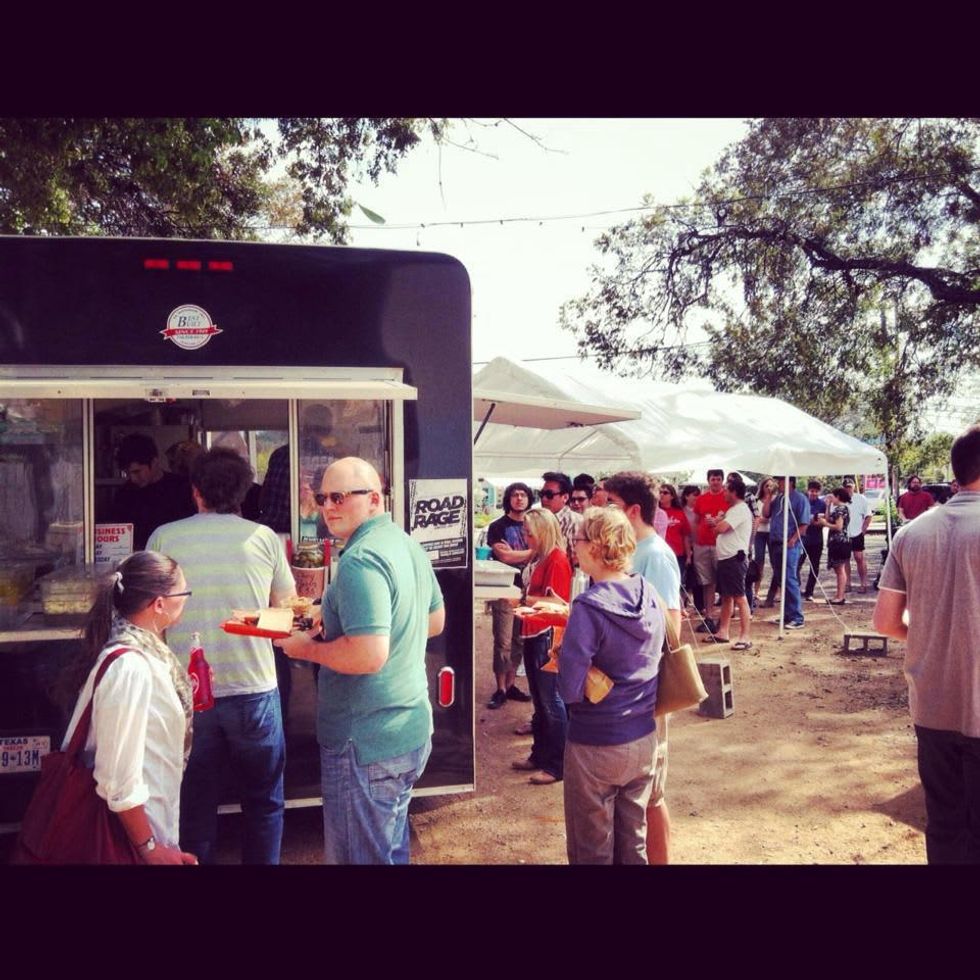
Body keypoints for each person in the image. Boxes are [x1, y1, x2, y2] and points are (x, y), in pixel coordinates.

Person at [278, 457, 445, 864]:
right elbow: (434, 620)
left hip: (365, 742)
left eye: (339, 496)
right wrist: (335, 617)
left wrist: (307, 649)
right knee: (388, 849)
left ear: (373, 499)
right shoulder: (404, 543)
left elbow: (370, 655)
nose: (328, 507)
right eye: (321, 498)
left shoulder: (359, 560)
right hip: (407, 730)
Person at [147, 447, 296, 864]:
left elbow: (149, 614)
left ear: (195, 493)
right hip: (253, 690)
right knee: (264, 802)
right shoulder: (263, 539)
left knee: (194, 810)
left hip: (188, 694)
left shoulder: (164, 537)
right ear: (245, 493)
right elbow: (284, 613)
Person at [872, 424, 980, 863]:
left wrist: (936, 637)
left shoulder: (910, 534)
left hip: (932, 707)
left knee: (945, 825)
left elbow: (885, 622)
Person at [55, 551, 198, 865]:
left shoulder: (144, 652)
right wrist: (149, 848)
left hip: (143, 827)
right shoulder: (131, 666)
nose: (186, 601)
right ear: (159, 604)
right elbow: (117, 778)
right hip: (127, 838)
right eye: (184, 594)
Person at [558, 506, 665, 864]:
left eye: (578, 539)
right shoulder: (647, 591)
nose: (574, 546)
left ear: (596, 546)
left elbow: (569, 690)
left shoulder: (588, 608)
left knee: (592, 848)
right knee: (633, 841)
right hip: (642, 738)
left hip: (596, 743)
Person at [602, 470, 681, 864]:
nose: (603, 511)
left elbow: (672, 628)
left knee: (652, 793)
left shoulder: (656, 556)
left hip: (648, 690)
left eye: (611, 505)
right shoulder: (634, 551)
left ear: (633, 510)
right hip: (629, 691)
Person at [510, 507, 573, 786]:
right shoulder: (542, 557)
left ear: (544, 533)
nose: (526, 538)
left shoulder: (557, 560)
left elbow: (559, 605)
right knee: (541, 701)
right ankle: (540, 755)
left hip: (547, 634)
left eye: (529, 533)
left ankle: (556, 764)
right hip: (535, 630)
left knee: (550, 701)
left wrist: (525, 601)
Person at [484, 482, 534, 710]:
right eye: (515, 495)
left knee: (519, 641)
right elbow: (503, 556)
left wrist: (517, 554)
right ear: (508, 499)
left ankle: (512, 684)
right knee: (502, 640)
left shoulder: (534, 524)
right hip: (504, 589)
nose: (519, 499)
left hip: (529, 591)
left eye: (523, 495)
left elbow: (541, 551)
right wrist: (529, 553)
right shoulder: (497, 526)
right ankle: (501, 688)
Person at [110, 433, 196, 550]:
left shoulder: (182, 488)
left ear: (154, 462)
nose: (133, 479)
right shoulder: (124, 495)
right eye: (127, 473)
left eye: (137, 472)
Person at [706, 474, 753, 649]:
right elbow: (718, 529)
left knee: (740, 598)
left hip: (735, 559)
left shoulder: (740, 509)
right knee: (726, 597)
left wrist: (716, 524)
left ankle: (745, 637)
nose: (723, 492)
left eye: (726, 489)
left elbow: (721, 528)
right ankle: (723, 632)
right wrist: (717, 525)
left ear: (734, 492)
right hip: (727, 559)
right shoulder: (733, 510)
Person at [762, 476, 810, 630]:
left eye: (782, 481)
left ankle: (797, 616)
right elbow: (766, 513)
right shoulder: (778, 499)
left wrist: (793, 539)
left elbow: (804, 523)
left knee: (789, 578)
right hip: (775, 542)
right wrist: (769, 496)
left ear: (790, 482)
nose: (779, 484)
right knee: (781, 579)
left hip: (789, 544)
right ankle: (787, 614)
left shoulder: (799, 499)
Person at [691, 469, 728, 633]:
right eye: (713, 479)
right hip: (702, 544)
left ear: (722, 481)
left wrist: (719, 521)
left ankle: (725, 618)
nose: (715, 482)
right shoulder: (701, 499)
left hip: (721, 544)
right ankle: (709, 617)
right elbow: (696, 521)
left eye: (718, 479)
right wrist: (694, 542)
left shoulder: (727, 497)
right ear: (708, 481)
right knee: (707, 582)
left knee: (725, 581)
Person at [540, 470, 582, 564]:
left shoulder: (575, 522)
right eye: (541, 494)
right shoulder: (541, 520)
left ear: (565, 497)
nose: (544, 499)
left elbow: (578, 562)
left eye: (549, 495)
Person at [817, 486, 851, 604]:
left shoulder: (840, 510)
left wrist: (825, 524)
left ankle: (840, 596)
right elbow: (829, 518)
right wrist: (827, 506)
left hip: (839, 542)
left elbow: (838, 527)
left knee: (840, 569)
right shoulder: (839, 509)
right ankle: (839, 594)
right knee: (838, 569)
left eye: (833, 497)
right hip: (837, 542)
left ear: (838, 497)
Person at [659, 483, 692, 587]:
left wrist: (688, 556)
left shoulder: (679, 513)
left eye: (665, 493)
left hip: (677, 554)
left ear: (672, 496)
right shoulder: (654, 513)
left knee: (677, 584)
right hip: (660, 554)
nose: (661, 495)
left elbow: (685, 535)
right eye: (659, 492)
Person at [842, 477, 872, 593]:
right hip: (844, 533)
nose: (848, 489)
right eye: (846, 487)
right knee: (845, 559)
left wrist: (863, 529)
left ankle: (863, 583)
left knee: (859, 557)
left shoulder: (861, 499)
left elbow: (868, 515)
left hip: (857, 533)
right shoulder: (840, 498)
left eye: (850, 486)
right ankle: (847, 583)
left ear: (854, 486)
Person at [800, 480, 827, 600]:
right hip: (802, 539)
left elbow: (824, 521)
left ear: (819, 492)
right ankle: (797, 588)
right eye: (812, 491)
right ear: (808, 491)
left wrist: (815, 521)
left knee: (814, 567)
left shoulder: (822, 504)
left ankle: (809, 591)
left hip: (817, 540)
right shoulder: (803, 502)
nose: (814, 493)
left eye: (816, 491)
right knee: (796, 565)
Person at [680, 484, 704, 615]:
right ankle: (682, 603)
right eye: (694, 494)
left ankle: (700, 605)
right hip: (685, 547)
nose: (697, 497)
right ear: (686, 496)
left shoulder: (700, 510)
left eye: (698, 494)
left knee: (699, 577)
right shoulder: (682, 511)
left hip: (700, 546)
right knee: (686, 577)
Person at [754, 478, 775, 605]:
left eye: (771, 486)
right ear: (762, 487)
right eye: (767, 486)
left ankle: (775, 592)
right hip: (759, 533)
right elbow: (755, 517)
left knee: (775, 562)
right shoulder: (756, 501)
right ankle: (756, 591)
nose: (769, 488)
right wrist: (762, 519)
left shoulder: (777, 500)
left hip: (772, 533)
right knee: (759, 562)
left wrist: (765, 518)